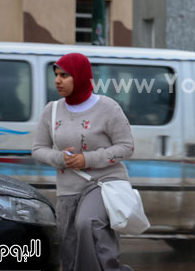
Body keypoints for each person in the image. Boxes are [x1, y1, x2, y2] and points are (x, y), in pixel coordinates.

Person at [32, 53, 134, 271]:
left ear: (80, 77)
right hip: (68, 189)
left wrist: (87, 159)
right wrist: (60, 158)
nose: (58, 80)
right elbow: (38, 149)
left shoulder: (108, 108)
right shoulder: (52, 110)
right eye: (56, 75)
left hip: (102, 183)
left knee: (87, 223)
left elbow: (126, 147)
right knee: (69, 246)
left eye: (65, 75)